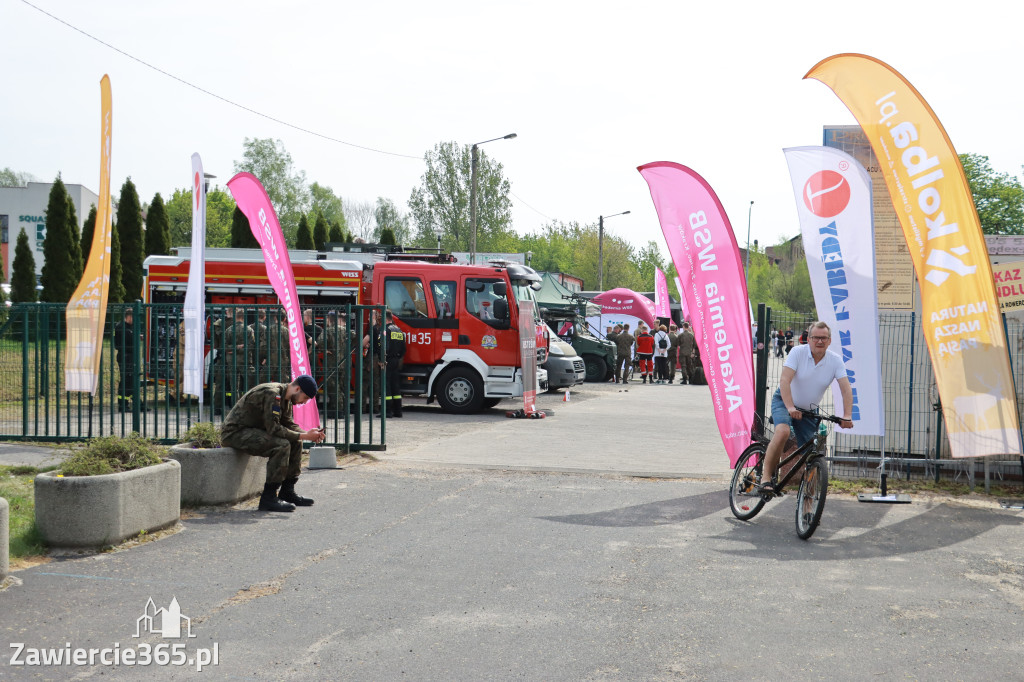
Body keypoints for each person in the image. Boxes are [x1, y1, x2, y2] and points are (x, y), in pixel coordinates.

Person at [759, 321, 854, 495]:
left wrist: (847, 415)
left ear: (829, 341)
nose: (820, 341)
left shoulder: (835, 361)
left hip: (809, 410)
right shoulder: (797, 352)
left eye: (823, 338)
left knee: (812, 453)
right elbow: (785, 381)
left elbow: (846, 389)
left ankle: (808, 507)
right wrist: (789, 407)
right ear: (808, 339)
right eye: (816, 337)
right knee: (783, 432)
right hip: (784, 401)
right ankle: (766, 478)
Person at [220, 375, 326, 512]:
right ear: (297, 388)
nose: (303, 402)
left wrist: (307, 433)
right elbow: (274, 428)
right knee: (281, 445)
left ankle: (287, 492)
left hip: (252, 430)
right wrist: (305, 435)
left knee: (296, 442)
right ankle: (268, 498)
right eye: (305, 398)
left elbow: (287, 423)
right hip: (235, 433)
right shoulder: (273, 394)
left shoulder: (286, 397)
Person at [222, 308, 255, 407]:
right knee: (249, 385)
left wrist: (234, 349)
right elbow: (251, 346)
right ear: (243, 317)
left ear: (235, 317)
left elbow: (224, 347)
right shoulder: (249, 330)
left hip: (231, 361)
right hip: (245, 361)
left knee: (234, 387)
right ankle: (248, 406)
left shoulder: (229, 330)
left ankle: (236, 407)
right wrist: (240, 347)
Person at [114, 308, 143, 411]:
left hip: (131, 357)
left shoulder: (130, 326)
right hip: (125, 357)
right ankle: (123, 405)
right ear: (129, 316)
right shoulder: (121, 327)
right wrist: (135, 337)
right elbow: (124, 340)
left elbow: (131, 337)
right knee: (127, 380)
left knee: (131, 380)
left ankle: (137, 404)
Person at [382, 310, 407, 418]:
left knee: (386, 386)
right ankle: (398, 411)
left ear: (385, 318)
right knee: (396, 386)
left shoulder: (386, 330)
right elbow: (403, 349)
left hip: (387, 360)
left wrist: (382, 359)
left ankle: (387, 412)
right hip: (396, 360)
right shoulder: (399, 330)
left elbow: (385, 348)